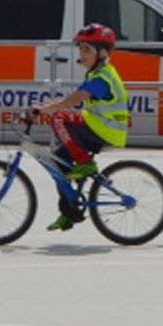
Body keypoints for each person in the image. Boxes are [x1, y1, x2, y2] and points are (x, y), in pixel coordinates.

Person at [27, 24, 132, 232]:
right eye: (80, 49)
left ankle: (84, 162)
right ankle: (69, 212)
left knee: (58, 117)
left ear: (102, 53)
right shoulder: (95, 75)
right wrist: (42, 107)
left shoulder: (103, 77)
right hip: (96, 126)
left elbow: (74, 99)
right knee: (56, 165)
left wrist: (46, 109)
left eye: (87, 50)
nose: (81, 54)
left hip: (106, 129)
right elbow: (71, 99)